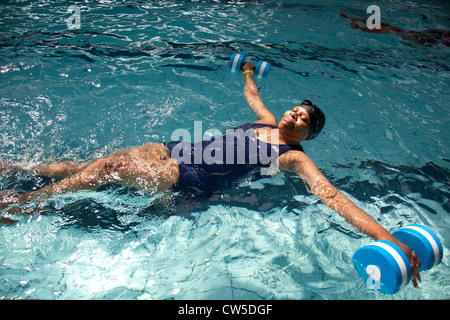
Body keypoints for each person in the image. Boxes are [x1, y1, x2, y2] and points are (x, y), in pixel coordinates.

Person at [0, 62, 421, 287]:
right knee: (90, 164)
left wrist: (386, 239)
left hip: (192, 175)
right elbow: (252, 96)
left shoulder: (294, 158)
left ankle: (24, 203)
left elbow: (331, 196)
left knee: (108, 169)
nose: (296, 115)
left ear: (309, 134)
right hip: (174, 149)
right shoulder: (265, 121)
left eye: (305, 119)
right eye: (297, 109)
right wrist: (248, 72)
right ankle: (18, 169)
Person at [339, 11, 450, 47]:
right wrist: (429, 27)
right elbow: (445, 32)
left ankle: (359, 28)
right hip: (418, 35)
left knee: (390, 28)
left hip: (418, 41)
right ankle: (351, 18)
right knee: (386, 24)